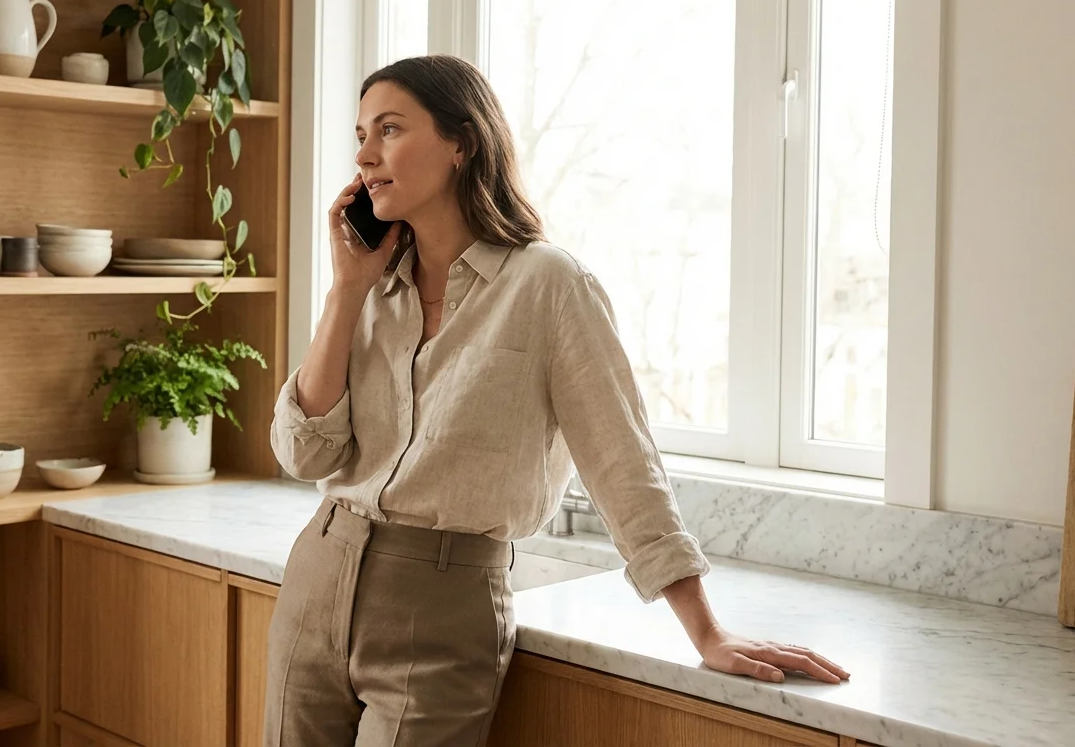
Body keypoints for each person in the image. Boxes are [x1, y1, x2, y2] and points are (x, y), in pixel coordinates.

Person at [264, 54, 849, 747]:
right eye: (361, 134)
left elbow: (622, 462)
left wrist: (706, 630)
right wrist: (346, 290)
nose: (364, 155)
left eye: (388, 130)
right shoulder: (368, 287)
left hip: (443, 604)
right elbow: (304, 452)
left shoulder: (550, 286)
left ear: (462, 142)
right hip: (318, 575)